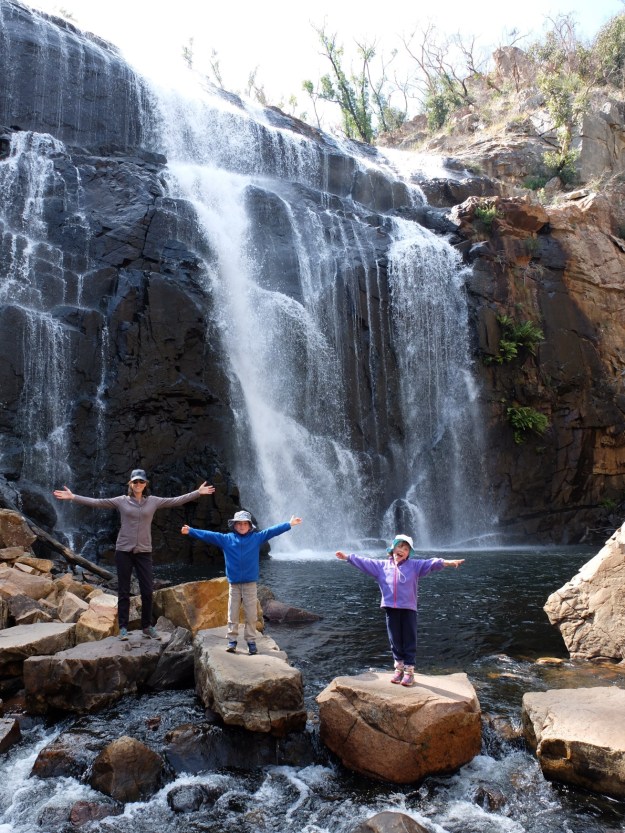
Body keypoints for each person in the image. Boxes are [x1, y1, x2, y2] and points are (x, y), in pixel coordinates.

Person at [54, 469, 215, 640]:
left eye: (141, 482)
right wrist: (74, 497)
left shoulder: (153, 501)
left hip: (144, 552)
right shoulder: (121, 501)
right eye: (135, 482)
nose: (138, 484)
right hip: (123, 551)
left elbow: (176, 501)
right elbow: (97, 502)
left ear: (146, 484)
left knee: (147, 591)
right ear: (130, 484)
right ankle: (123, 627)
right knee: (124, 591)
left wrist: (197, 492)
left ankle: (147, 626)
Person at [335, 535, 464, 687]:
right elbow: (365, 562)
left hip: (408, 608)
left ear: (409, 553)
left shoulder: (414, 566)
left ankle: (409, 670)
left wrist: (446, 562)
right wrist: (348, 557)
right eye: (399, 547)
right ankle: (398, 668)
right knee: (394, 639)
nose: (401, 550)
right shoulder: (381, 566)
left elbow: (430, 563)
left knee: (409, 638)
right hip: (390, 608)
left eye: (405, 548)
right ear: (392, 549)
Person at [181, 509, 302, 654]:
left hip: (250, 584)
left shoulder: (257, 538)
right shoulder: (226, 539)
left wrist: (289, 524)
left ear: (250, 526)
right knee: (232, 613)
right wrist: (191, 531)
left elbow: (272, 531)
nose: (242, 526)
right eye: (239, 524)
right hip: (234, 584)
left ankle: (251, 641)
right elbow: (208, 535)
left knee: (251, 614)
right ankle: (232, 641)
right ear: (234, 525)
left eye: (245, 523)